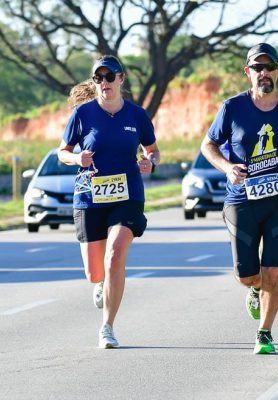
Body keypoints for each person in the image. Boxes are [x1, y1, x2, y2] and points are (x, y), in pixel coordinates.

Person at [200, 43, 278, 354]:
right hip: (241, 200)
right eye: (257, 68)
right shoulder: (232, 108)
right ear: (247, 72)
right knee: (248, 275)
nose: (263, 73)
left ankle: (264, 332)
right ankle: (253, 289)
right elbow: (208, 146)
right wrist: (227, 167)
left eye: (269, 67)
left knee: (274, 270)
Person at [58, 55, 160, 349]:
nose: (104, 82)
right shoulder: (82, 115)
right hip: (89, 197)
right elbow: (61, 152)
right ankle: (101, 283)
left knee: (115, 255)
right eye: (98, 78)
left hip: (127, 195)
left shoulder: (137, 115)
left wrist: (150, 162)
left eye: (109, 76)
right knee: (95, 272)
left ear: (121, 79)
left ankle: (107, 327)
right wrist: (76, 157)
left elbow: (153, 150)